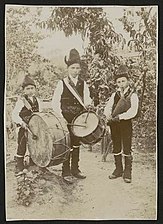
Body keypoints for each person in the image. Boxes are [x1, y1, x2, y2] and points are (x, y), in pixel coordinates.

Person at [52, 48, 92, 184]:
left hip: (79, 118)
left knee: (76, 144)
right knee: (67, 144)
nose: (76, 70)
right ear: (68, 68)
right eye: (73, 68)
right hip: (66, 119)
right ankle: (66, 171)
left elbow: (86, 99)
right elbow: (55, 102)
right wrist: (60, 117)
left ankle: (75, 169)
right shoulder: (62, 83)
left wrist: (89, 105)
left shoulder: (83, 83)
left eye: (77, 68)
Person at [104, 64, 139, 183]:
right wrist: (108, 115)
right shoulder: (115, 95)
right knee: (116, 145)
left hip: (125, 124)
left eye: (123, 81)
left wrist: (121, 117)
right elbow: (108, 107)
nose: (121, 84)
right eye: (119, 82)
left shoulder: (133, 95)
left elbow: (133, 111)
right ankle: (118, 169)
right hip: (114, 124)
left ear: (128, 81)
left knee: (127, 147)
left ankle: (127, 172)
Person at [12, 75, 42, 175]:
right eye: (28, 89)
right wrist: (21, 123)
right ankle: (19, 166)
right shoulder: (21, 101)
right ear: (24, 90)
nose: (30, 90)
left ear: (35, 89)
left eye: (32, 88)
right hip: (23, 128)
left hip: (34, 128)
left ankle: (33, 163)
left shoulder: (38, 100)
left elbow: (40, 114)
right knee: (22, 145)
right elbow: (14, 115)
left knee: (35, 145)